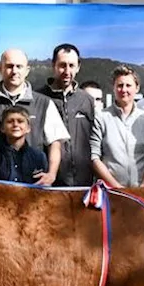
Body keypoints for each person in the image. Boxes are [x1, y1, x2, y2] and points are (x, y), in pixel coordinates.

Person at [0, 49, 70, 186]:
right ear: (0, 68)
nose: (14, 71)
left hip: (33, 185)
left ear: (27, 70)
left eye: (19, 66)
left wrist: (51, 174)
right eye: (9, 66)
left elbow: (55, 142)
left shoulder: (44, 103)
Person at [36, 44, 97, 188]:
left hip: (84, 182)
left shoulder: (86, 100)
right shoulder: (39, 98)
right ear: (53, 65)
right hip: (49, 182)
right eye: (62, 65)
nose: (67, 71)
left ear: (78, 67)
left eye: (71, 65)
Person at [90, 66, 144, 187]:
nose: (124, 89)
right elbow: (95, 158)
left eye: (128, 85)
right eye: (120, 85)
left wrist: (143, 189)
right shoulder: (101, 118)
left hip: (142, 193)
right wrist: (117, 188)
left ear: (137, 88)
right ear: (114, 88)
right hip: (111, 192)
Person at [0, 106, 50, 183]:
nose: (15, 124)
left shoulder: (39, 156)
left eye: (20, 121)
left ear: (28, 128)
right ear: (2, 128)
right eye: (10, 121)